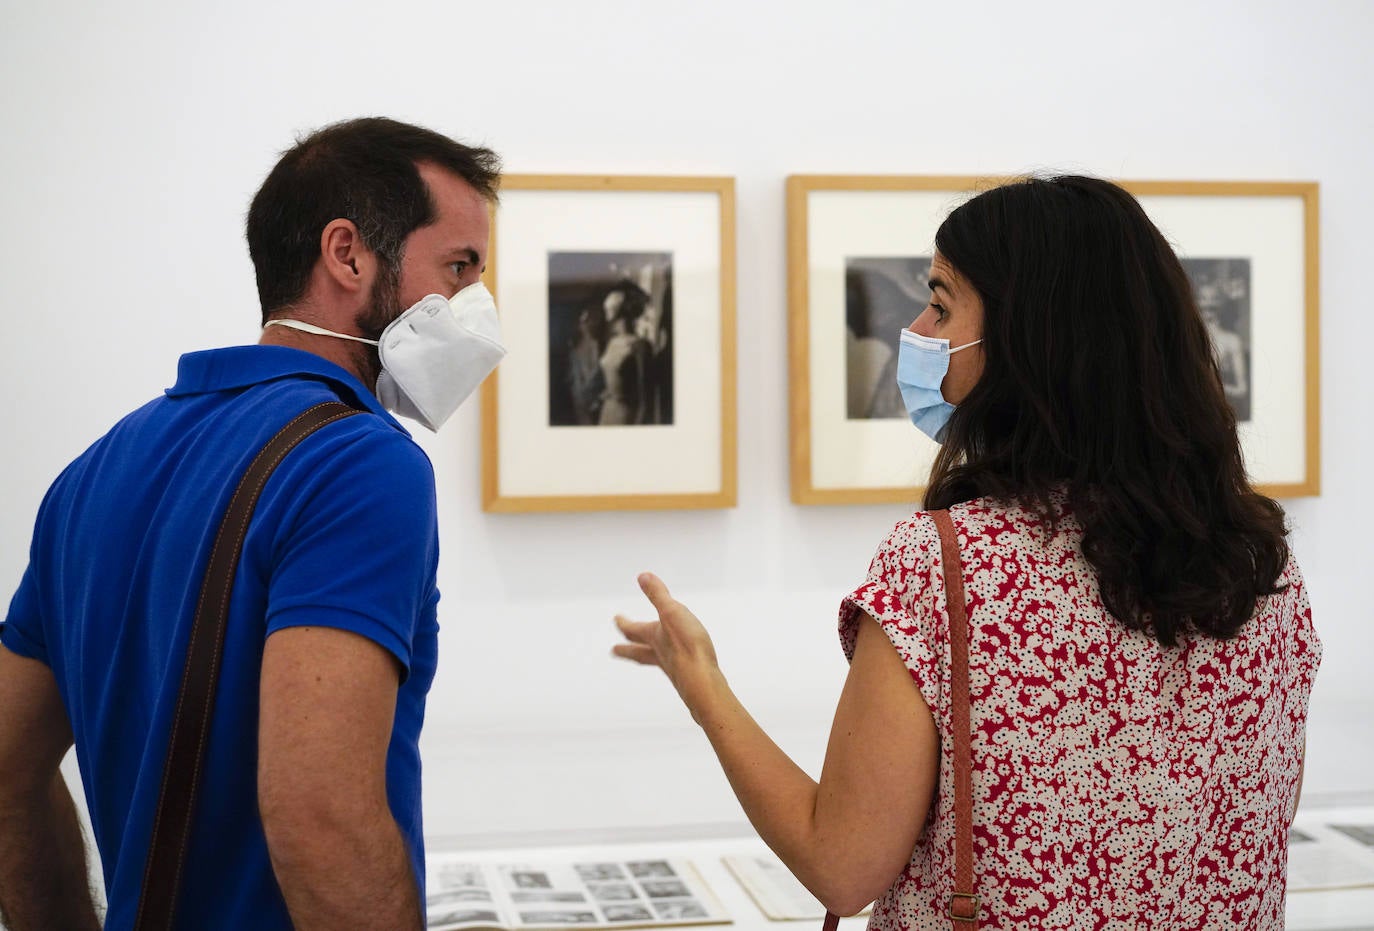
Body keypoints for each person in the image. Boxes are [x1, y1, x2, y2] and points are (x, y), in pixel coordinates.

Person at [614, 176, 1319, 929]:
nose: (917, 327)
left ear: (1030, 338)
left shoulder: (949, 564)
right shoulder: (1260, 568)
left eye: (943, 304)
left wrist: (703, 684)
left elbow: (842, 864)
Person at [0, 117, 502, 930]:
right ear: (348, 255)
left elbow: (6, 771)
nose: (478, 307)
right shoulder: (361, 461)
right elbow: (321, 820)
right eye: (458, 268)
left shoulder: (93, 470)